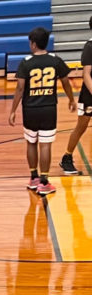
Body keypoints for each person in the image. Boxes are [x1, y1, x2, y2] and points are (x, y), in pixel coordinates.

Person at [9, 26, 75, 195]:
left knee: (31, 142)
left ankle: (33, 178)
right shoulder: (55, 60)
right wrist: (71, 99)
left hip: (30, 109)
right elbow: (66, 82)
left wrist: (13, 110)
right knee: (45, 144)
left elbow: (19, 88)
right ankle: (44, 182)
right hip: (48, 109)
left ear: (33, 44)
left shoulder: (26, 62)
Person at [60, 16, 92, 176]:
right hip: (89, 95)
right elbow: (86, 74)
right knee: (81, 127)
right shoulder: (90, 46)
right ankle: (66, 157)